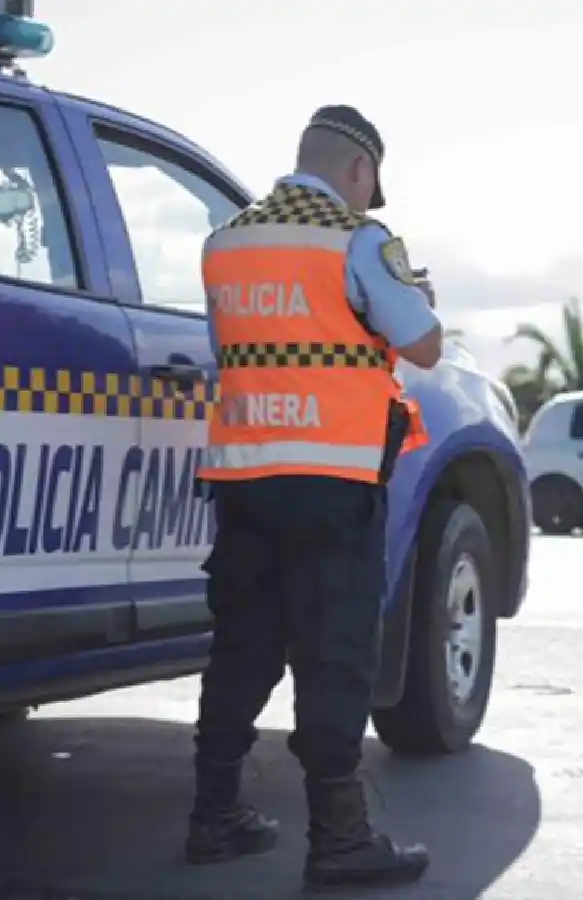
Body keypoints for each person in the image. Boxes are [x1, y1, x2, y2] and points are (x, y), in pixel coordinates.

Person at [186, 104, 442, 893]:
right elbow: (424, 345)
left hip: (245, 476)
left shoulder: (223, 242)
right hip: (331, 480)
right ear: (359, 171)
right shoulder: (357, 239)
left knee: (242, 646)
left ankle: (213, 817)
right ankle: (339, 839)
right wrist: (414, 293)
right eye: (369, 186)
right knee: (334, 654)